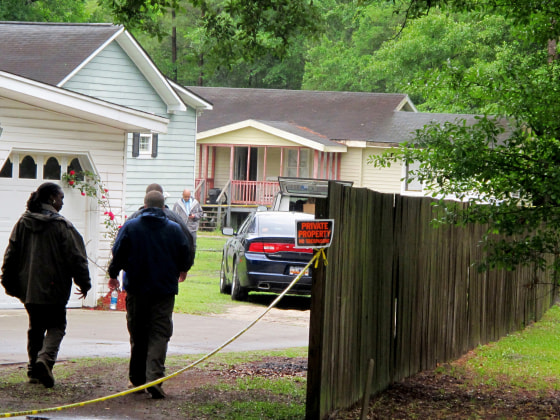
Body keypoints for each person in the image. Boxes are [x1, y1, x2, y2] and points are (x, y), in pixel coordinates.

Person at [1, 182, 91, 388]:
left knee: (36, 326)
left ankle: (33, 370)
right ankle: (45, 360)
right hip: (55, 287)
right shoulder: (61, 226)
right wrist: (84, 283)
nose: (61, 203)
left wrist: (8, 281)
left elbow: (11, 254)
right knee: (57, 325)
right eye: (61, 198)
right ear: (51, 198)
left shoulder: (23, 223)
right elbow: (76, 257)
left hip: (30, 288)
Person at [108, 190, 190, 399]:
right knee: (160, 333)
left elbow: (118, 252)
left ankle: (137, 380)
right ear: (164, 208)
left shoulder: (131, 226)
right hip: (163, 290)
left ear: (144, 206)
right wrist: (182, 268)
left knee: (138, 332)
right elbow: (186, 252)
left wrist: (113, 274)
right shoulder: (174, 229)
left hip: (136, 288)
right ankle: (154, 378)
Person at [129, 183, 195, 270]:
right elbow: (188, 242)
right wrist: (184, 267)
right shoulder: (175, 220)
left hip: (137, 271)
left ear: (146, 198)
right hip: (167, 272)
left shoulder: (133, 219)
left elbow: (120, 245)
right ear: (162, 197)